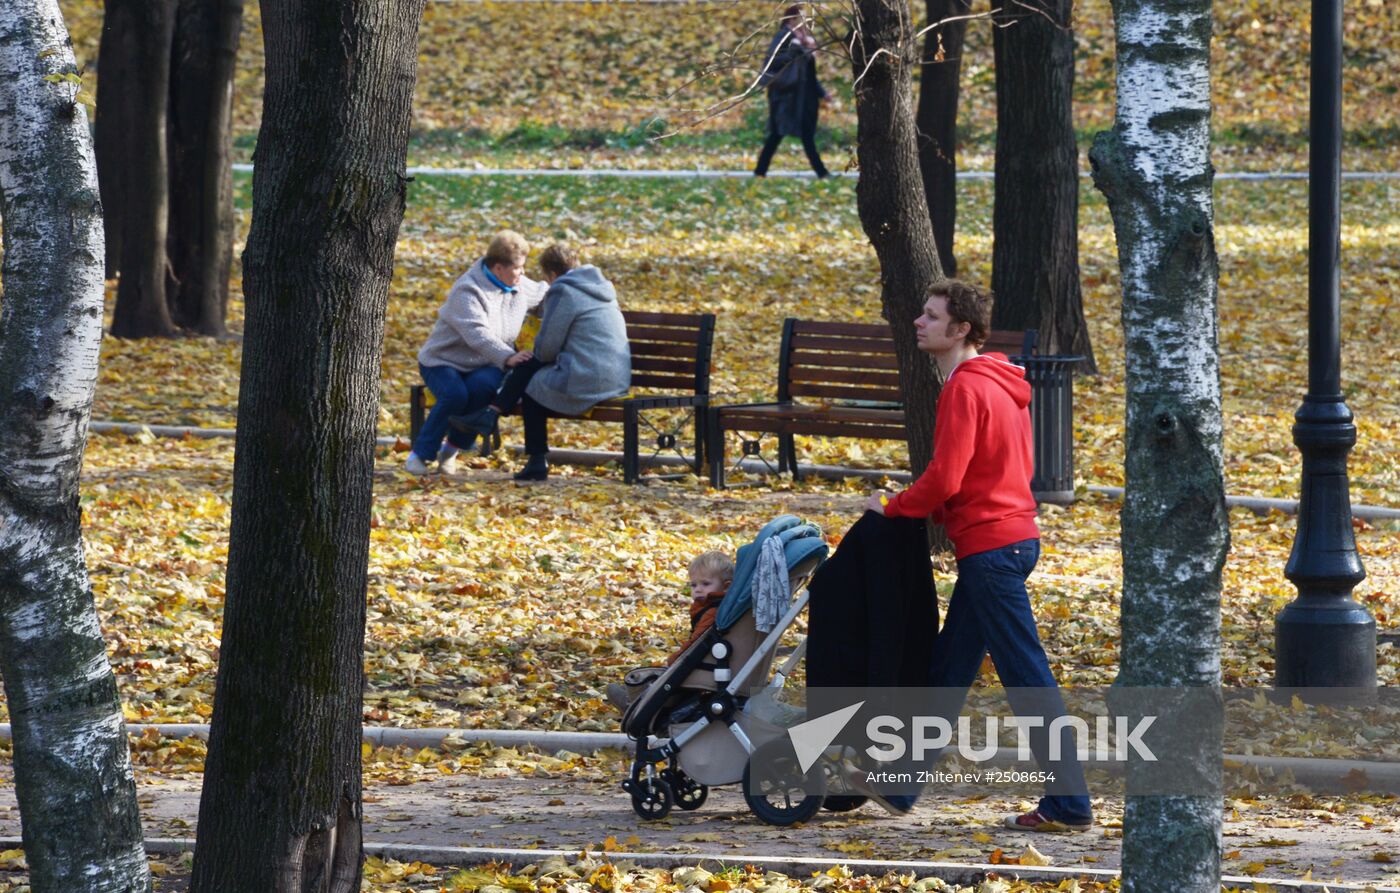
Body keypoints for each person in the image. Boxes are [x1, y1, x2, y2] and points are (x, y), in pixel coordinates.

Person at [855, 279, 1094, 833]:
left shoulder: (965, 387)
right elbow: (995, 470)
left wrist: (892, 506)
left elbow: (944, 478)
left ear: (961, 330)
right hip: (1008, 541)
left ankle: (1070, 803)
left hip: (992, 550)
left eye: (932, 316)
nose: (919, 321)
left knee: (1028, 678)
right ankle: (902, 783)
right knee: (949, 670)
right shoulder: (1001, 383)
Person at [448, 244, 630, 482]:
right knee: (531, 370)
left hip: (587, 378)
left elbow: (546, 350)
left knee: (533, 385)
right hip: (616, 377)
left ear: (552, 276)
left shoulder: (564, 291)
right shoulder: (600, 287)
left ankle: (533, 457)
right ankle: (490, 415)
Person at [406, 230, 547, 475]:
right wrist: (507, 356)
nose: (522, 273)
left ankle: (450, 451)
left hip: (485, 363)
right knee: (455, 395)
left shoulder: (519, 284)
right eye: (517, 268)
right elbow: (476, 333)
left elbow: (545, 294)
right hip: (443, 360)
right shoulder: (468, 290)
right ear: (498, 267)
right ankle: (420, 455)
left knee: (483, 390)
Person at [606, 550, 734, 710]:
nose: (698, 589)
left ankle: (638, 707)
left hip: (703, 666)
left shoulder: (713, 611)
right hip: (710, 662)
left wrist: (675, 661)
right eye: (694, 585)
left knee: (664, 677)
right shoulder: (712, 607)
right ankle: (638, 701)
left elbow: (698, 642)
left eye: (706, 584)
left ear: (726, 586)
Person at [754, 4, 830, 179]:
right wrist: (795, 50)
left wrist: (822, 92)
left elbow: (809, 74)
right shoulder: (784, 37)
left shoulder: (804, 40)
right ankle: (760, 171)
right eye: (800, 18)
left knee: (805, 134)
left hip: (805, 97)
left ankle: (821, 172)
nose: (804, 21)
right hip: (786, 96)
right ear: (791, 19)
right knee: (778, 133)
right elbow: (772, 62)